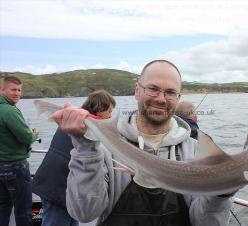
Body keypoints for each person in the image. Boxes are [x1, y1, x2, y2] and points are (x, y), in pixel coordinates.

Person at [52, 60, 234, 226]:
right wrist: (85, 148)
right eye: (153, 89)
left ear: (178, 97)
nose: (161, 99)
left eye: (170, 92)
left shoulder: (196, 152)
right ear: (137, 90)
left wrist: (220, 194)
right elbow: (84, 214)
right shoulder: (103, 146)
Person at [32, 90, 116, 226]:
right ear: (100, 108)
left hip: (61, 185)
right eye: (109, 111)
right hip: (57, 187)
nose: (110, 116)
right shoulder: (85, 126)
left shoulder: (72, 120)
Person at [0, 76, 39, 226]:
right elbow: (26, 137)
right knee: (23, 210)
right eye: (13, 89)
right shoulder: (9, 111)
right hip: (15, 167)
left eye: (19, 90)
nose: (17, 93)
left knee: (3, 207)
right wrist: (34, 134)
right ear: (2, 90)